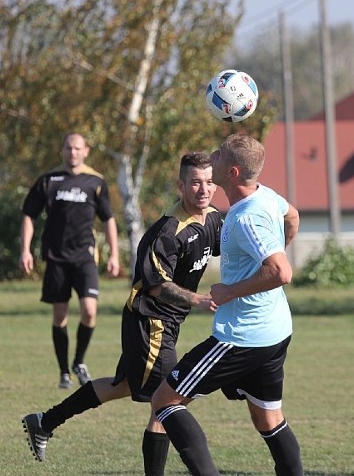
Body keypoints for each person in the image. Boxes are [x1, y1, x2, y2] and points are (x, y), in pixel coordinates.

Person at [21, 151, 221, 475]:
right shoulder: (168, 231)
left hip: (166, 323)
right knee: (168, 400)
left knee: (124, 386)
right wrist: (195, 299)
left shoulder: (212, 219)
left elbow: (233, 247)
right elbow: (156, 285)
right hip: (150, 321)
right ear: (181, 186)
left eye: (210, 182)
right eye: (195, 182)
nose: (204, 189)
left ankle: (44, 421)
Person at [151, 133, 303, 476]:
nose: (212, 158)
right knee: (268, 418)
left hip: (241, 337)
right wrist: (277, 245)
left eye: (218, 157)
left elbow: (281, 271)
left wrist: (227, 292)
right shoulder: (267, 196)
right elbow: (291, 216)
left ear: (232, 173)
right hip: (275, 330)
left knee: (165, 401)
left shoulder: (245, 217)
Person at [20, 132, 121, 389]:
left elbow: (108, 219)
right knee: (60, 314)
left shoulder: (95, 181)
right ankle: (64, 371)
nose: (72, 152)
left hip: (84, 257)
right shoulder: (49, 181)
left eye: (77, 148)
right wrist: (25, 250)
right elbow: (29, 215)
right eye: (68, 148)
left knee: (89, 311)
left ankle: (79, 361)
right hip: (55, 258)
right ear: (63, 150)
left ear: (86, 150)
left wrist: (114, 255)